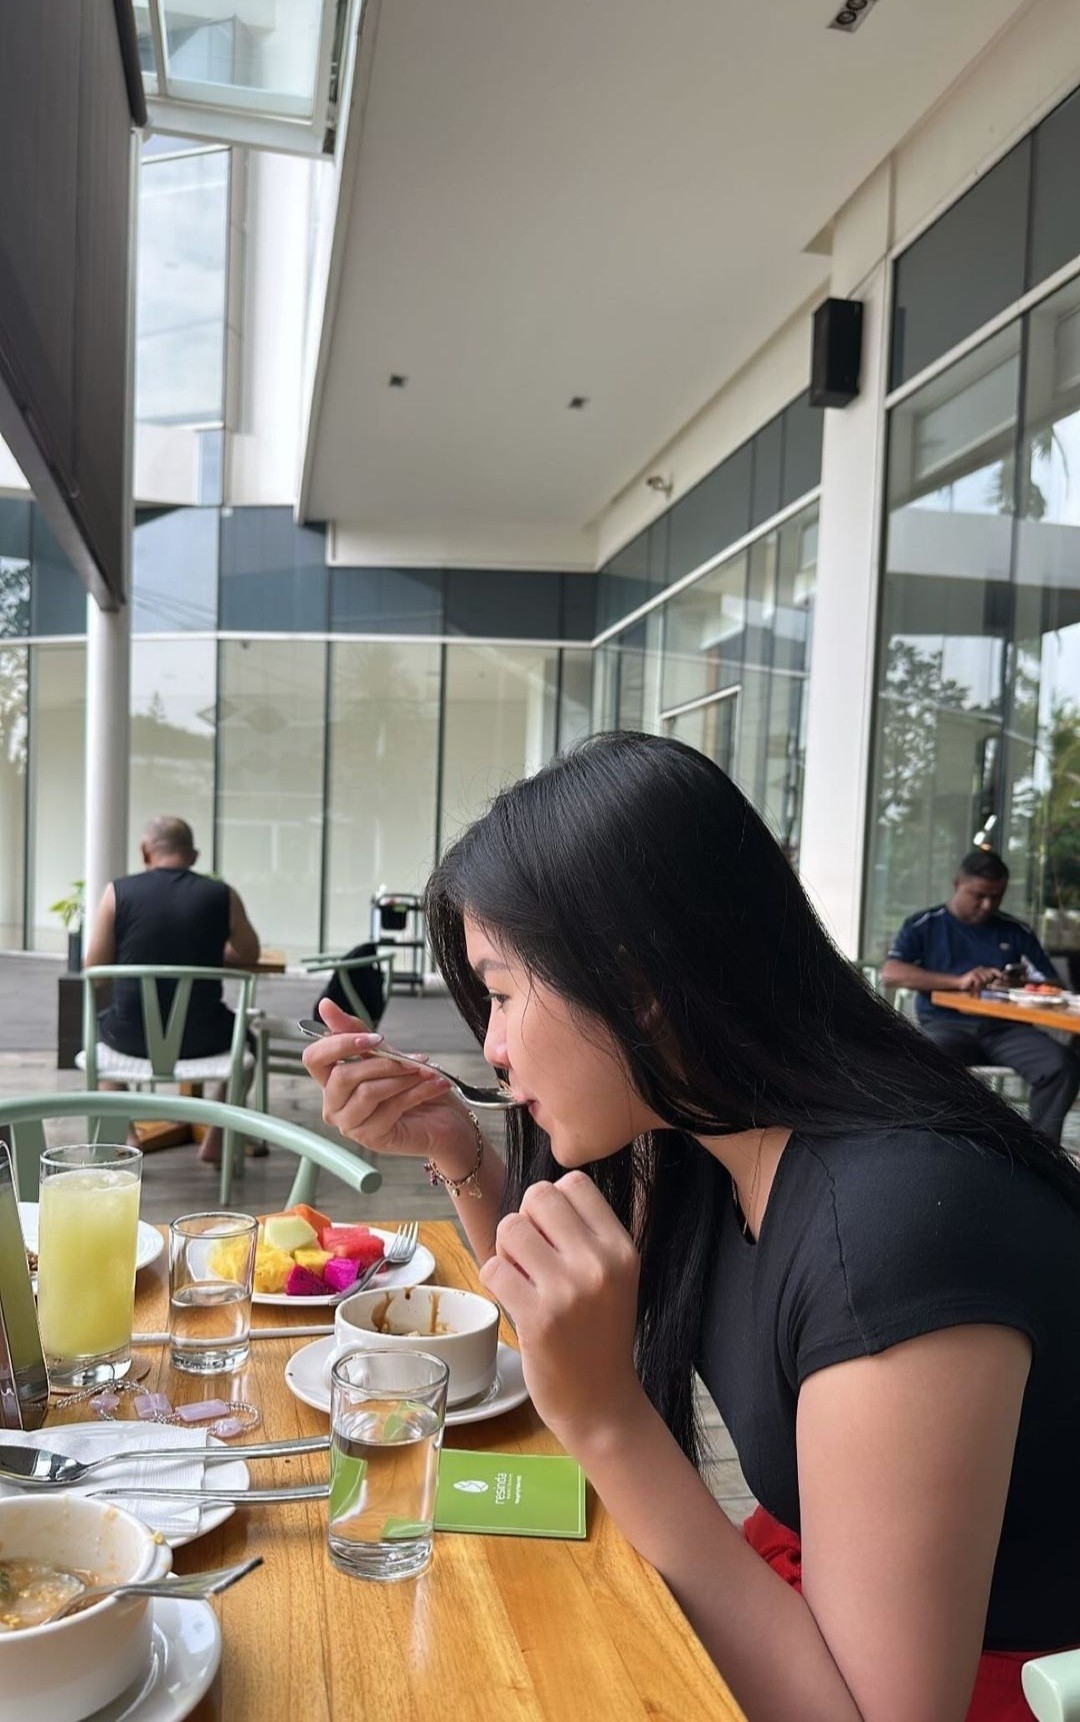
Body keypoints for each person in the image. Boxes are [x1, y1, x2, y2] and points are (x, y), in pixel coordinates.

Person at [304, 733, 1080, 1722]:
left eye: (499, 994)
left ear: (636, 989)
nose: (491, 1047)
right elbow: (555, 1319)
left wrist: (605, 1417)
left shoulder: (894, 1240)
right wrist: (457, 1149)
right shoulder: (718, 1138)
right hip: (813, 1603)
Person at [84, 815, 261, 1163]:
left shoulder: (117, 892)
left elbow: (96, 971)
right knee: (248, 1040)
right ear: (193, 855)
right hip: (205, 1038)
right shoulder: (222, 894)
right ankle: (217, 1137)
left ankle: (127, 1138)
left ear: (145, 851)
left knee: (99, 1039)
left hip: (130, 1038)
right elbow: (248, 953)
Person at [882, 849, 1080, 1143]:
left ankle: (1039, 1151)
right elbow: (892, 972)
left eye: (996, 897)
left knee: (1061, 1065)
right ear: (957, 884)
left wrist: (1018, 982)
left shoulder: (1015, 931)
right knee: (918, 1059)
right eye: (979, 895)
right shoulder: (926, 924)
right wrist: (959, 981)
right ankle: (933, 1143)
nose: (987, 905)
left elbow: (1051, 983)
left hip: (1008, 1029)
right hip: (947, 1025)